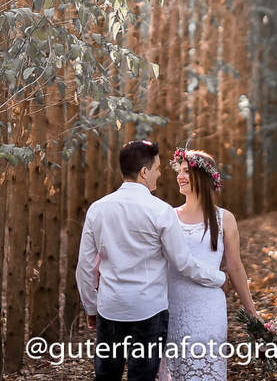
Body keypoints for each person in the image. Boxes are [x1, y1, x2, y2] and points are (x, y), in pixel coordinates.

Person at [76, 139, 227, 381]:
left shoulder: (97, 209)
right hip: (149, 310)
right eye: (157, 169)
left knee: (106, 376)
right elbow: (183, 262)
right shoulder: (160, 210)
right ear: (144, 172)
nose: (159, 174)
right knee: (142, 377)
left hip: (110, 308)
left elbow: (84, 266)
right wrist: (218, 277)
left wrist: (91, 307)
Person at [160, 148, 258, 381]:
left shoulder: (224, 218)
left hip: (208, 310)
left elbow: (235, 267)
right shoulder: (168, 216)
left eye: (186, 172)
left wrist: (252, 313)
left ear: (203, 177)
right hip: (172, 307)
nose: (180, 176)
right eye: (179, 171)